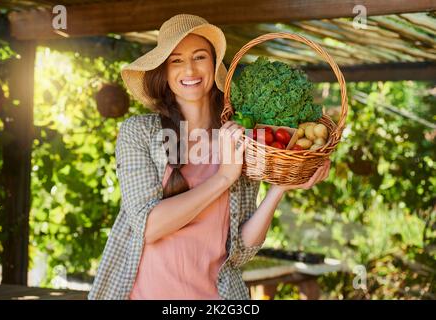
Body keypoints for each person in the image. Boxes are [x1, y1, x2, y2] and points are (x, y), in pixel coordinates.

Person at [88, 14, 330, 300]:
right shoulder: (139, 132)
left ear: (214, 66)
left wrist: (279, 189)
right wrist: (224, 177)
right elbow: (149, 227)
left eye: (199, 57)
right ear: (163, 72)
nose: (189, 69)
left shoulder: (241, 140)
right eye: (176, 60)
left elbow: (241, 251)